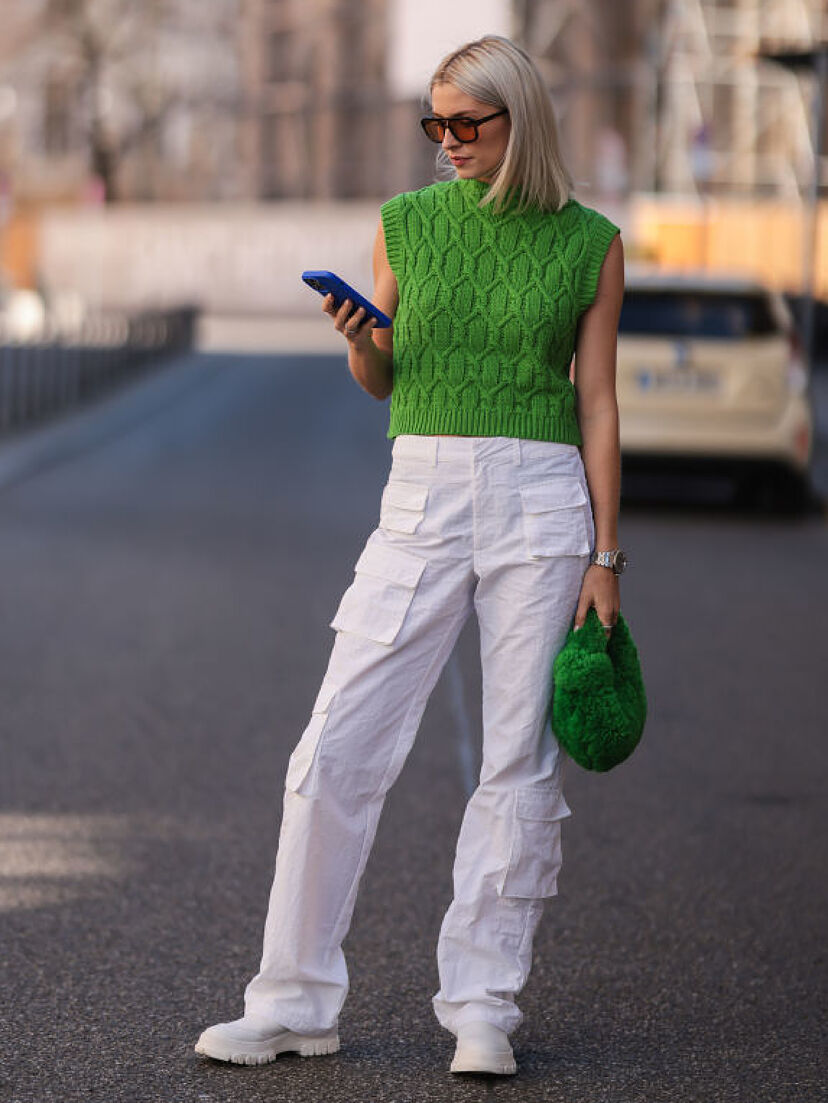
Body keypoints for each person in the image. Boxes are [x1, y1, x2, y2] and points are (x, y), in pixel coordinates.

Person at [195, 33, 625, 1076]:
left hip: (541, 500)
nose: (446, 143)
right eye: (434, 124)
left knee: (517, 759)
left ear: (520, 122)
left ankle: (484, 1005)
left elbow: (602, 401)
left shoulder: (591, 242)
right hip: (421, 493)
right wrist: (358, 335)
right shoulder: (404, 225)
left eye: (465, 125)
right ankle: (292, 997)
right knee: (334, 745)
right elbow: (384, 378)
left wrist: (609, 557)